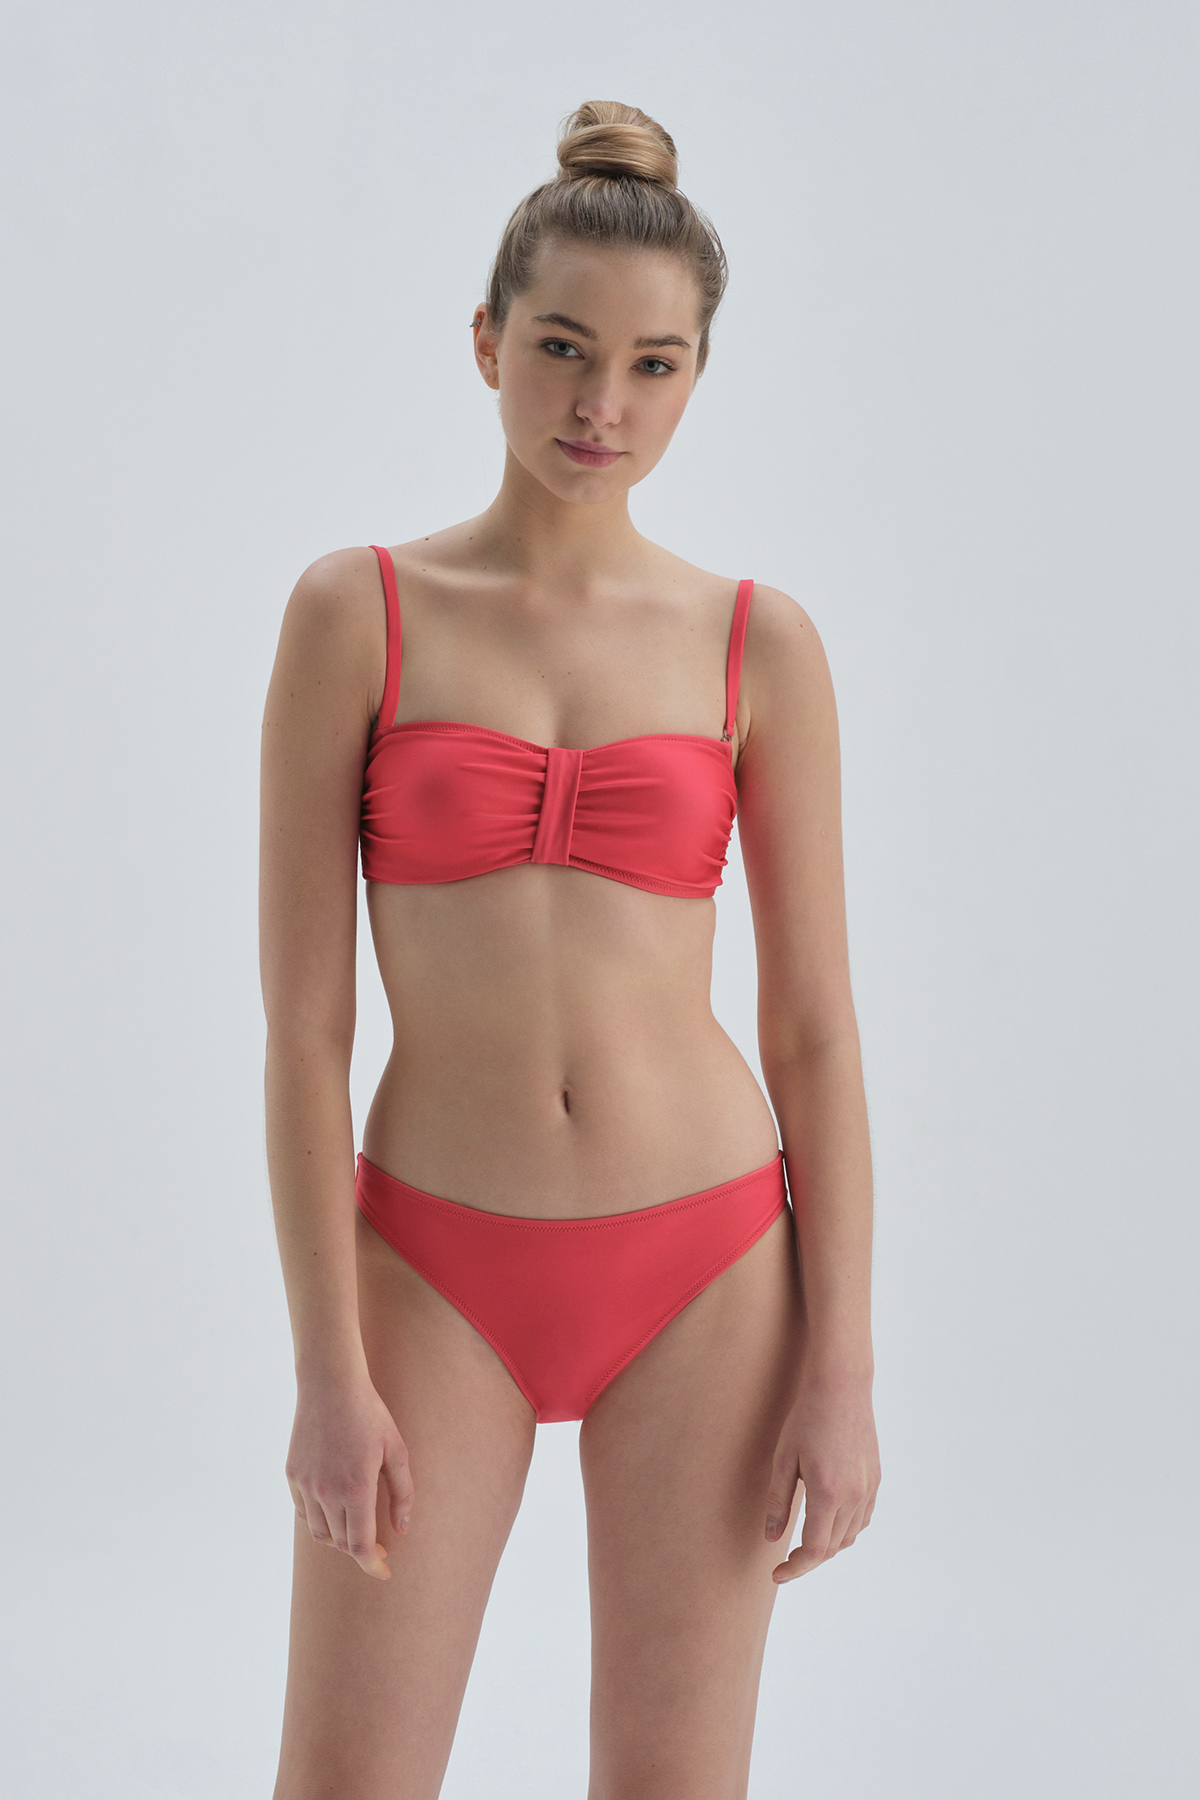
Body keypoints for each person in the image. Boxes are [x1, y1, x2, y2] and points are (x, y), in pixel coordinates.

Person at [259, 98, 881, 1800]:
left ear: (695, 378)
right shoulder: (355, 614)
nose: (602, 403)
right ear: (486, 342)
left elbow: (815, 1030)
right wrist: (325, 1368)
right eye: (561, 348)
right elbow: (305, 1032)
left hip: (710, 1262)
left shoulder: (758, 643)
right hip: (429, 1261)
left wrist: (842, 1367)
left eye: (653, 365)